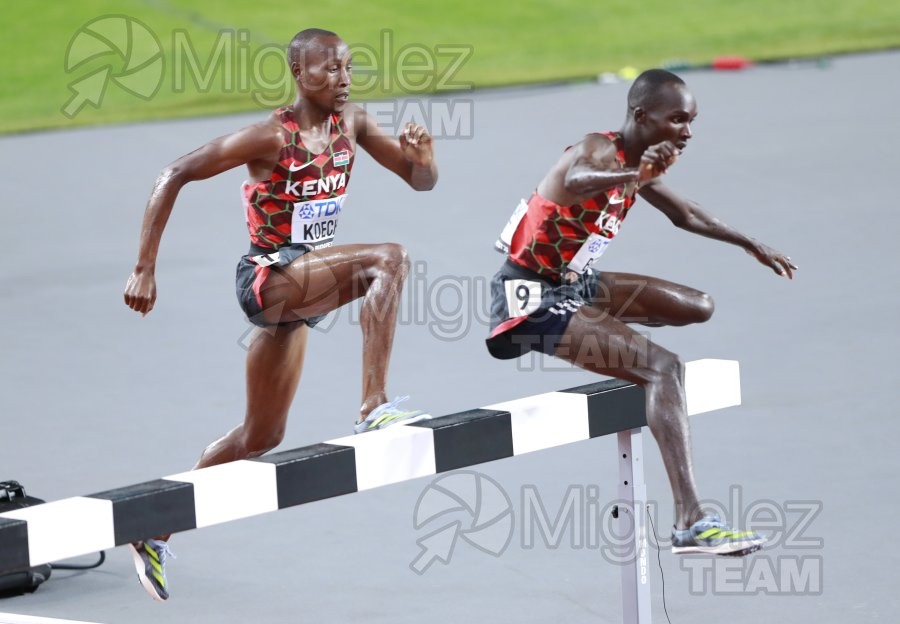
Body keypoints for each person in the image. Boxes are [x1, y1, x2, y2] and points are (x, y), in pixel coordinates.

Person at [122, 28, 438, 600]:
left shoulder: (355, 124)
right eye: (327, 71)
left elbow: (419, 182)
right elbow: (174, 174)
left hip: (300, 291)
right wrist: (145, 267)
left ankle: (153, 527)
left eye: (347, 68)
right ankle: (373, 405)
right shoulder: (270, 136)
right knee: (388, 260)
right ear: (299, 74)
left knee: (259, 434)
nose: (341, 80)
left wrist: (424, 158)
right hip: (268, 280)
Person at [487, 69, 796, 557]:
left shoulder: (634, 167)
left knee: (698, 306)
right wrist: (638, 176)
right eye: (677, 120)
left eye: (691, 121)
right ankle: (690, 521)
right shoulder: (599, 150)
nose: (687, 132)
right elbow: (574, 180)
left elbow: (687, 214)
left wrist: (750, 243)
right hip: (530, 295)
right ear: (641, 116)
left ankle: (605, 339)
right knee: (664, 368)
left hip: (576, 286)